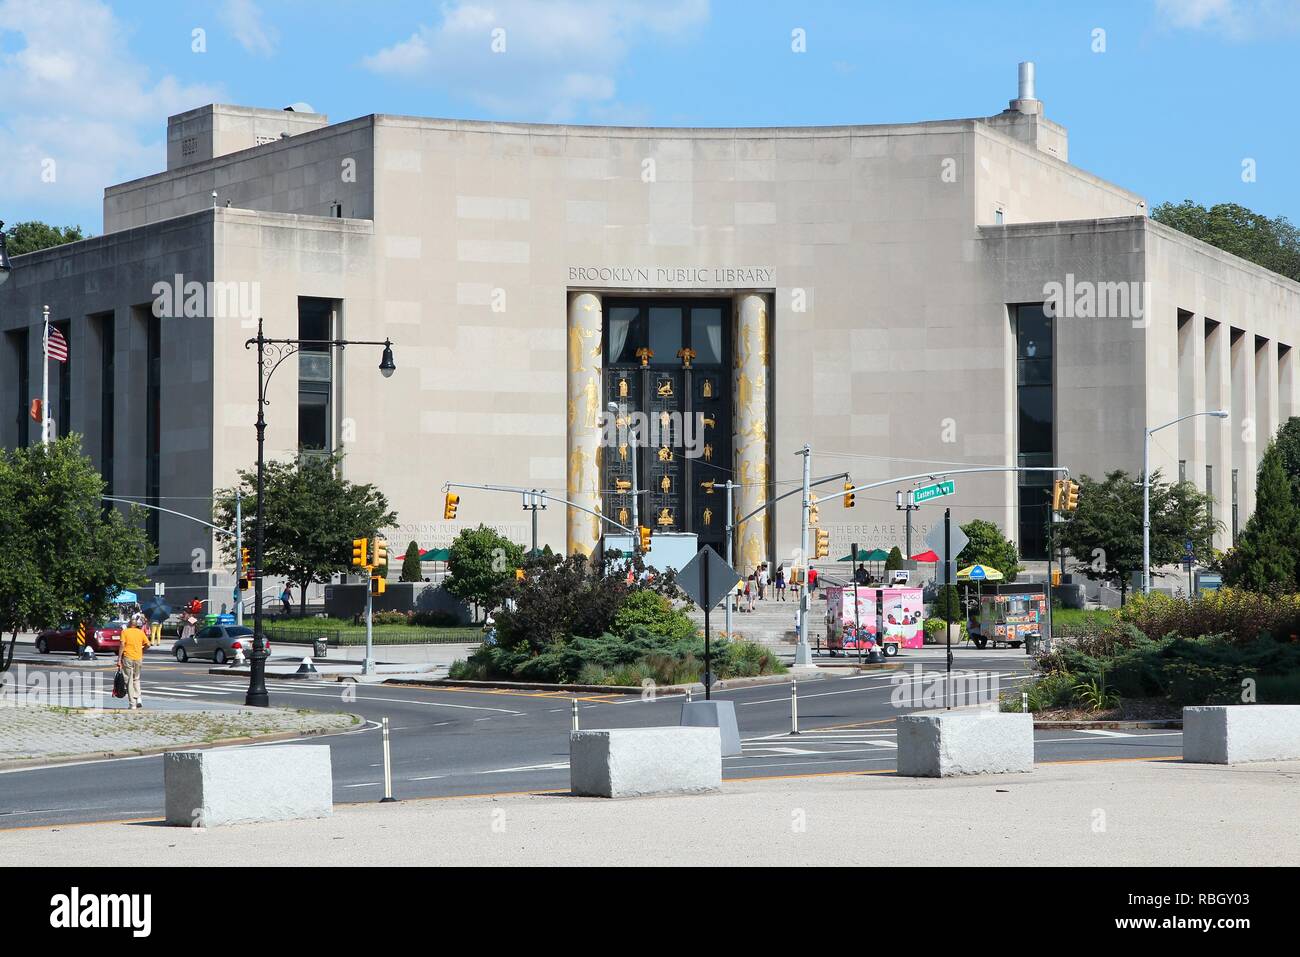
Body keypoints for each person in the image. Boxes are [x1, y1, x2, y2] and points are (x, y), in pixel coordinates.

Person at [117, 614, 150, 709]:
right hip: (138, 658)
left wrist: (119, 658)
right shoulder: (140, 632)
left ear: (129, 624)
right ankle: (138, 698)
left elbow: (122, 645)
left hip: (128, 657)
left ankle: (132, 704)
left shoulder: (125, 632)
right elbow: (148, 644)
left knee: (129, 680)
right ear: (136, 625)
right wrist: (142, 650)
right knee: (136, 678)